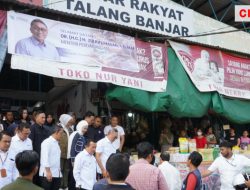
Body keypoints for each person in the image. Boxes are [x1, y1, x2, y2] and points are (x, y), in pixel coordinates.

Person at [39, 124, 63, 190]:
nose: (62, 135)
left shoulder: (57, 143)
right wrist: (48, 172)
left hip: (56, 174)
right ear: (56, 132)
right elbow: (45, 158)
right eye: (61, 133)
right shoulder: (47, 142)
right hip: (47, 173)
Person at [58, 114, 74, 190]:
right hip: (60, 153)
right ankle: (60, 185)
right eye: (68, 122)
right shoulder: (58, 128)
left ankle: (65, 185)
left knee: (66, 170)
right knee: (60, 169)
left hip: (68, 153)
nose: (70, 123)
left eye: (70, 122)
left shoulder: (70, 129)